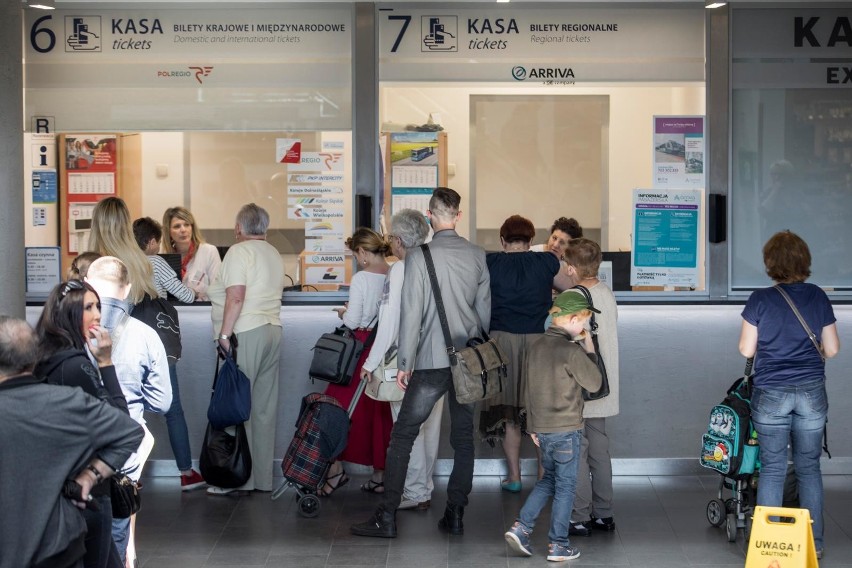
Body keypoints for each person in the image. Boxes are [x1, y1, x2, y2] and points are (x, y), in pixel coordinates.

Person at [350, 187, 490, 539]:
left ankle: (387, 517)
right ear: (458, 215)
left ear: (431, 215)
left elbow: (410, 316)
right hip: (468, 361)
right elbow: (484, 312)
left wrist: (405, 363)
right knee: (463, 439)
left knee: (403, 436)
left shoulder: (418, 257)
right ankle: (455, 513)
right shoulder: (477, 254)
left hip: (429, 361)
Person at [0, 316, 143, 568]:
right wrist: (89, 476)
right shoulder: (69, 402)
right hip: (58, 546)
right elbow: (130, 432)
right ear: (34, 357)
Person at [738, 230, 840, 560]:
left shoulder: (759, 299)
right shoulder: (818, 297)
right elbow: (833, 349)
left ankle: (770, 546)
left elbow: (746, 348)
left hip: (771, 393)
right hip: (810, 392)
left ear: (770, 263)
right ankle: (816, 543)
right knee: (809, 468)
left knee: (772, 468)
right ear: (804, 261)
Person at [34, 279, 129, 568]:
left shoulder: (44, 359)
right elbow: (120, 423)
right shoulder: (76, 366)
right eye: (88, 307)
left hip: (56, 488)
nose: (98, 314)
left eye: (98, 306)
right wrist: (106, 363)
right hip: (88, 491)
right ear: (69, 314)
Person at [85, 256, 172, 565]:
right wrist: (134, 398)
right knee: (116, 541)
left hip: (77, 455)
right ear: (128, 289)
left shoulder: (67, 332)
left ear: (88, 286)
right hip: (122, 459)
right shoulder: (146, 335)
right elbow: (163, 402)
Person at [504, 292, 602, 562]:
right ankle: (559, 544)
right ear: (571, 319)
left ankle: (522, 528)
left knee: (548, 480)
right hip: (567, 429)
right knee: (566, 487)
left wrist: (532, 427)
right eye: (583, 322)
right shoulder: (571, 350)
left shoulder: (535, 347)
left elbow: (528, 390)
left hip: (542, 430)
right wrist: (590, 349)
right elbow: (594, 384)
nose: (584, 328)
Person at [478, 215, 567, 494]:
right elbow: (572, 289)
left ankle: (514, 477)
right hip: (539, 343)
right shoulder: (546, 262)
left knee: (508, 413)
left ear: (503, 240)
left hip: (501, 342)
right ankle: (543, 478)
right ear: (531, 241)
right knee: (539, 413)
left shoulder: (490, 263)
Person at [207, 203, 285, 494]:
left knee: (235, 405)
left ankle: (236, 477)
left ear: (239, 228)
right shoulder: (273, 252)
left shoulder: (239, 252)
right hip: (272, 330)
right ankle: (261, 479)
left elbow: (236, 297)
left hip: (245, 333)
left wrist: (224, 334)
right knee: (263, 408)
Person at [359, 210, 434, 510]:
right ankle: (424, 487)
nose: (389, 242)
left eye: (391, 237)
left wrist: (370, 362)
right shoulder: (435, 262)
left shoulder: (402, 269)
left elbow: (389, 323)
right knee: (429, 427)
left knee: (407, 426)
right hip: (437, 358)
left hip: (408, 361)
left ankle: (415, 492)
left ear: (399, 239)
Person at [132, 216, 206, 491]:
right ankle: (186, 472)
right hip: (157, 344)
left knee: (132, 409)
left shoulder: (124, 263)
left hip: (130, 344)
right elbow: (184, 296)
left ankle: (130, 474)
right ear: (151, 242)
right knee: (172, 410)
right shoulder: (156, 263)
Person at [321, 227, 392, 496]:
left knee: (337, 408)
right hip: (384, 351)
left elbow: (353, 321)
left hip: (360, 351)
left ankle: (335, 470)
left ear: (362, 252)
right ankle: (380, 476)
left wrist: (343, 312)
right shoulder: (394, 272)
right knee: (379, 413)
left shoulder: (363, 278)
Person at [560, 238, 621, 537]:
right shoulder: (606, 293)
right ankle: (604, 514)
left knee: (576, 450)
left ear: (571, 268)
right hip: (604, 385)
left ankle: (579, 515)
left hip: (580, 386)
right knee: (599, 448)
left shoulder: (572, 297)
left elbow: (560, 341)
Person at [88, 197, 160, 307]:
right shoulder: (142, 261)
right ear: (126, 224)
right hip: (138, 322)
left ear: (96, 225)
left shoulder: (96, 264)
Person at [162, 206, 222, 301]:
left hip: (203, 313)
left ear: (192, 227)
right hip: (175, 313)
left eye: (187, 224)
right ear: (168, 232)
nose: (183, 230)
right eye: (177, 226)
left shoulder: (209, 251)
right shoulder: (164, 258)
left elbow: (218, 290)